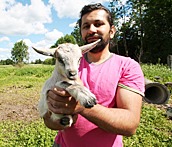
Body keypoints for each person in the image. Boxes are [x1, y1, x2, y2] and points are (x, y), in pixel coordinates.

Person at [43, 3, 145, 147]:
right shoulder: (67, 66)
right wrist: (56, 113)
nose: (91, 30)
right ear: (81, 33)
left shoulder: (127, 67)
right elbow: (50, 122)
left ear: (112, 31)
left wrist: (81, 107)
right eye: (86, 26)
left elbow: (130, 125)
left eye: (98, 24)